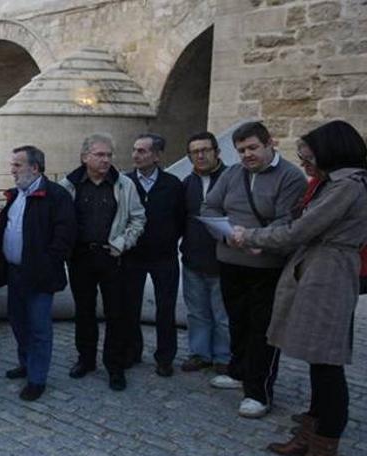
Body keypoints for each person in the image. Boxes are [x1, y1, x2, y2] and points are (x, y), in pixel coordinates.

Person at [230, 120, 367, 456]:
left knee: (327, 363)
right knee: (318, 360)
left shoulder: (347, 186)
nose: (305, 163)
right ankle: (311, 433)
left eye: (309, 156)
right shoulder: (336, 183)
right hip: (320, 266)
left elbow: (301, 229)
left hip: (329, 274)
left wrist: (251, 236)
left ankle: (324, 454)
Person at [202, 121, 306, 418]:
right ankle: (238, 372)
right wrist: (226, 235)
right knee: (238, 321)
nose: (247, 155)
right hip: (231, 261)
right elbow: (210, 207)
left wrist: (253, 238)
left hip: (266, 266)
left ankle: (258, 392)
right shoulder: (232, 174)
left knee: (263, 329)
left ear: (269, 143)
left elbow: (288, 220)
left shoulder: (290, 177)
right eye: (241, 150)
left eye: (252, 148)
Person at [60, 133, 145, 391]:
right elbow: (59, 221)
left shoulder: (124, 185)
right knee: (84, 312)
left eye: (109, 155)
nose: (106, 160)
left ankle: (114, 366)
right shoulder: (69, 186)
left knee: (116, 313)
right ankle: (85, 360)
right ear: (85, 157)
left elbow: (138, 219)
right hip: (80, 257)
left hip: (112, 256)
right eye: (100, 155)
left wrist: (122, 244)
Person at [0, 146, 76, 401]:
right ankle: (26, 363)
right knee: (18, 321)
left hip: (40, 275)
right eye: (12, 165)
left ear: (35, 168)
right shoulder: (16, 195)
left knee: (39, 328)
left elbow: (65, 236)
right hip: (15, 272)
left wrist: (47, 263)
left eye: (17, 165)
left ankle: (37, 379)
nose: (12, 170)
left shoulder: (56, 196)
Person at [123, 133, 185, 377]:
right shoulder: (125, 183)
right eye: (135, 150)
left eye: (142, 151)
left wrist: (167, 239)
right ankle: (132, 351)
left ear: (157, 156)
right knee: (130, 307)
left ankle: (165, 358)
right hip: (132, 257)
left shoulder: (173, 184)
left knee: (165, 310)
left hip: (164, 258)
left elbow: (181, 218)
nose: (135, 155)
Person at [179, 131, 231, 375]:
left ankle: (224, 356)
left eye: (205, 150)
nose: (200, 156)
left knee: (223, 315)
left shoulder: (232, 179)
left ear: (216, 152)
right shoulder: (186, 184)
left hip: (223, 260)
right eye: (195, 152)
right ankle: (200, 354)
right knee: (197, 313)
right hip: (193, 258)